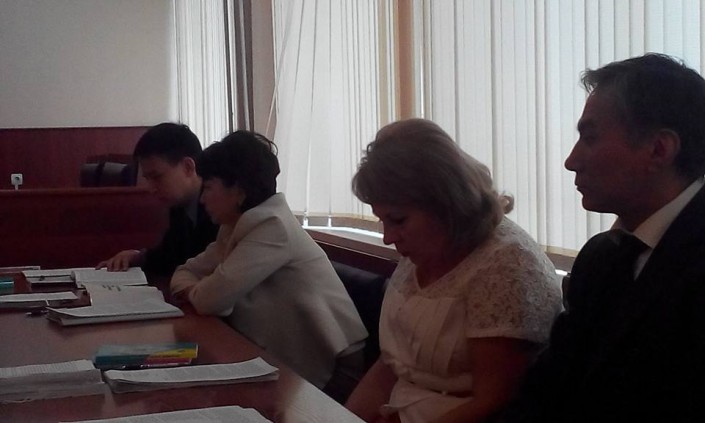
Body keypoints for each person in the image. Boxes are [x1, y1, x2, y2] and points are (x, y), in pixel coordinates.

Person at [501, 54, 705, 422]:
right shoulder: (600, 257)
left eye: (589, 137)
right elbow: (545, 389)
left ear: (658, 149)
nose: (571, 160)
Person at [345, 118, 562, 423]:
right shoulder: (427, 245)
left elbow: (495, 402)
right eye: (383, 221)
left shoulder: (506, 268)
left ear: (445, 202)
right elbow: (392, 365)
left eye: (398, 220)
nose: (387, 237)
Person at [170, 130, 368, 393]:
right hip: (289, 352)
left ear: (238, 189)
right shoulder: (235, 225)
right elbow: (185, 271)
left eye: (208, 187)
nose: (202, 198)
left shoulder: (272, 225)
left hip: (334, 363)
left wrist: (196, 289)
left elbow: (210, 299)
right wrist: (197, 288)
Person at [97, 123, 219, 276]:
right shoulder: (179, 204)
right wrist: (137, 257)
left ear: (188, 167)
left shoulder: (220, 206)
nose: (151, 188)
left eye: (157, 177)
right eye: (147, 178)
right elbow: (169, 255)